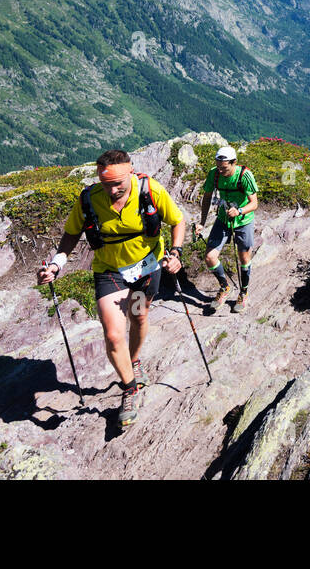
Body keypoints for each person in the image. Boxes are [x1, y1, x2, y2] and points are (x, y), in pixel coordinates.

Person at [38, 149, 185, 428]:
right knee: (113, 334)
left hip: (146, 270)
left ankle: (135, 360)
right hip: (109, 272)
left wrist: (175, 253)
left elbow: (177, 221)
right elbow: (72, 233)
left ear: (131, 172)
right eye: (107, 184)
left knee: (139, 316)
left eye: (119, 182)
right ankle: (130, 389)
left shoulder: (150, 190)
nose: (113, 189)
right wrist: (57, 264)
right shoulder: (89, 199)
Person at [199, 146, 260, 314]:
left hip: (243, 221)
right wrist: (202, 223)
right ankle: (225, 287)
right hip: (223, 220)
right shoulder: (215, 173)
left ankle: (244, 292)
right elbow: (206, 198)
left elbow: (254, 203)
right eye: (218, 165)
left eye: (224, 167)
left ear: (234, 163)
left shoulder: (244, 175)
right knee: (210, 257)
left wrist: (239, 211)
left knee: (244, 257)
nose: (220, 170)